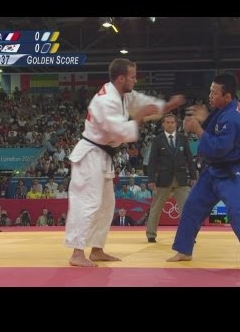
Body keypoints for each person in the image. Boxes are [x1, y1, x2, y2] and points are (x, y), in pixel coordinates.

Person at [64, 58, 185, 267]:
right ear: (121, 78)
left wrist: (165, 106)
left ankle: (97, 249)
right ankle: (76, 253)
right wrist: (138, 118)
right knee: (88, 203)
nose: (135, 80)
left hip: (102, 156)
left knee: (106, 205)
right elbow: (118, 131)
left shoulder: (122, 94)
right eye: (132, 77)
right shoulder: (105, 101)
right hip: (90, 156)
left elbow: (141, 102)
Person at [166, 73, 240, 266]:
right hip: (213, 170)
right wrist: (204, 120)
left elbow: (219, 148)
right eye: (210, 91)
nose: (210, 96)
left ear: (227, 96)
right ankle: (184, 250)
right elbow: (216, 127)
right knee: (192, 206)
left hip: (231, 172)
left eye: (214, 93)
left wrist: (198, 129)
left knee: (236, 211)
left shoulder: (232, 118)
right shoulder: (231, 107)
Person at [146, 113, 197, 242]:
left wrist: (193, 176)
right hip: (163, 179)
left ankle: (188, 235)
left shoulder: (183, 139)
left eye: (172, 122)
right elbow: (152, 161)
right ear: (163, 124)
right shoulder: (158, 140)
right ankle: (151, 234)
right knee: (156, 208)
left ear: (176, 124)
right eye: (167, 122)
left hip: (181, 178)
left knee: (186, 209)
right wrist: (151, 179)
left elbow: (190, 159)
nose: (170, 124)